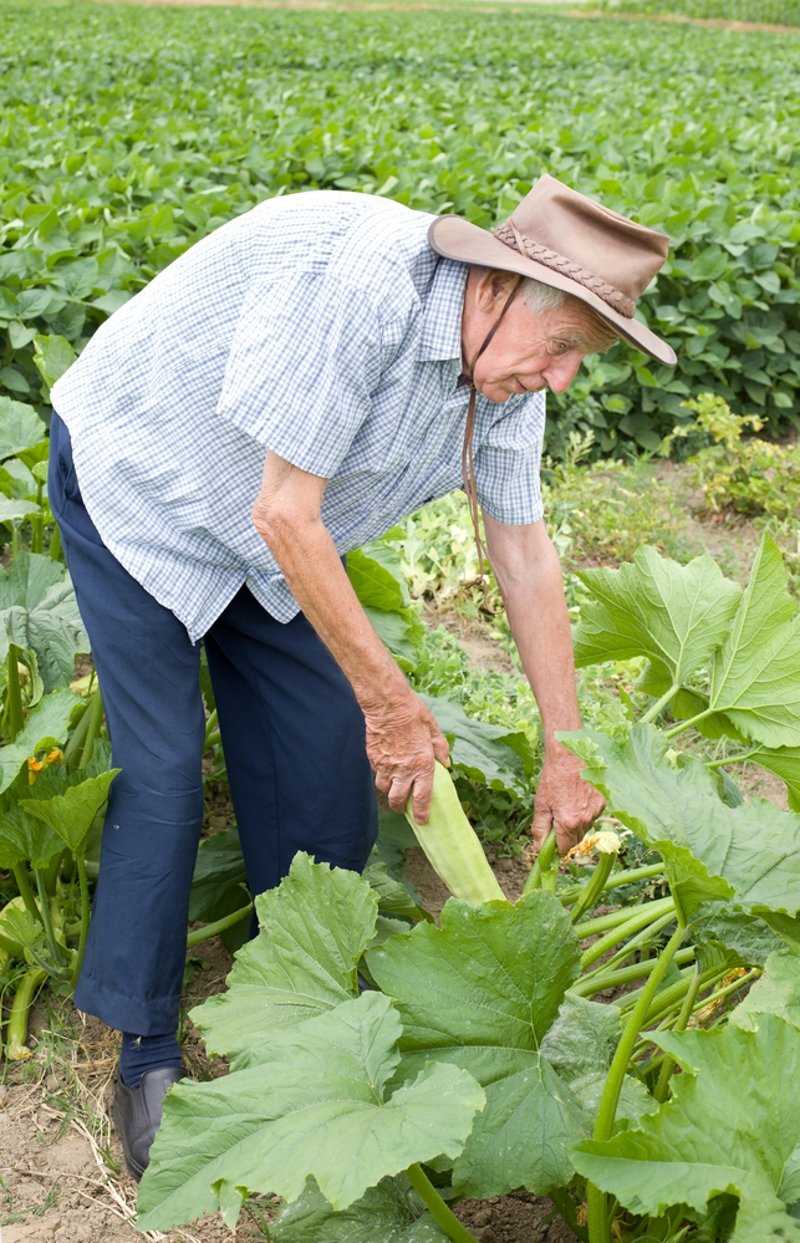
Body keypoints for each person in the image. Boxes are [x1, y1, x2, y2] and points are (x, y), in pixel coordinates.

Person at [48, 172, 676, 1180]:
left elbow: (521, 552)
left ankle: (294, 1007)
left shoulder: (500, 377)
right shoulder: (359, 287)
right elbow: (285, 512)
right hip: (150, 482)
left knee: (323, 777)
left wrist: (566, 750)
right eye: (559, 348)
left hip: (270, 540)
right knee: (163, 779)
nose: (560, 378)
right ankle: (146, 1050)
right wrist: (391, 702)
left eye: (578, 362)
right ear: (494, 288)